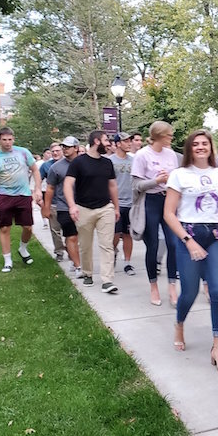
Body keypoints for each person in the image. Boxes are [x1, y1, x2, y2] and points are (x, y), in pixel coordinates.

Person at [164, 130, 218, 373]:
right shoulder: (179, 175)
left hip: (216, 236)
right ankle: (179, 323)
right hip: (190, 235)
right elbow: (169, 214)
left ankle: (217, 347)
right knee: (190, 292)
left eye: (204, 143)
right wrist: (188, 241)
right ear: (189, 149)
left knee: (217, 290)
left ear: (211, 147)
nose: (200, 147)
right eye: (195, 144)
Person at [131, 121, 181, 306]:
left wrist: (169, 179)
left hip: (168, 200)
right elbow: (136, 185)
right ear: (159, 136)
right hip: (150, 201)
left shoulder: (171, 155)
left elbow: (175, 178)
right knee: (152, 246)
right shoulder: (142, 155)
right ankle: (153, 286)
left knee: (173, 244)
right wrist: (156, 180)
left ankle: (172, 287)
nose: (171, 138)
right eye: (169, 135)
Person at [63, 130, 120, 294]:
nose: (109, 143)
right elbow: (68, 184)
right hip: (83, 209)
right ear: (96, 141)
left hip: (105, 208)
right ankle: (87, 273)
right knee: (85, 245)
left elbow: (112, 186)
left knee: (107, 245)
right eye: (106, 140)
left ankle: (107, 281)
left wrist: (115, 207)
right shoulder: (78, 163)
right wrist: (72, 206)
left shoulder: (107, 163)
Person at [0, 127, 42, 272]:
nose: (7, 143)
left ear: (13, 139)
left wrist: (37, 189)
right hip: (4, 195)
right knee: (4, 228)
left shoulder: (23, 152)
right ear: (0, 140)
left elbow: (35, 170)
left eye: (10, 139)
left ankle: (23, 249)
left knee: (28, 227)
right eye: (4, 140)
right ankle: (7, 260)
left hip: (23, 194)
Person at [43, 137, 82, 277]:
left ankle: (74, 258)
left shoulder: (84, 163)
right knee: (71, 237)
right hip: (64, 207)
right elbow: (50, 188)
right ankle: (78, 266)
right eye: (63, 146)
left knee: (80, 238)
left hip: (84, 206)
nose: (65, 149)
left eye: (68, 147)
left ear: (76, 148)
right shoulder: (56, 167)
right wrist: (46, 207)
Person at [108, 132, 135, 275]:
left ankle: (128, 263)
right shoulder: (109, 161)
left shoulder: (134, 160)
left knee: (127, 234)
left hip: (131, 204)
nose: (129, 143)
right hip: (115, 204)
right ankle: (111, 255)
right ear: (118, 144)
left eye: (130, 141)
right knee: (115, 234)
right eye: (126, 141)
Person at [38, 142, 66, 261]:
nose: (55, 153)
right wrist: (37, 193)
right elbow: (38, 179)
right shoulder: (46, 166)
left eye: (57, 151)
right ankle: (59, 251)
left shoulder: (70, 163)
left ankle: (71, 249)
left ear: (62, 151)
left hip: (68, 202)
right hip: (53, 201)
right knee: (55, 230)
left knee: (71, 230)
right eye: (53, 151)